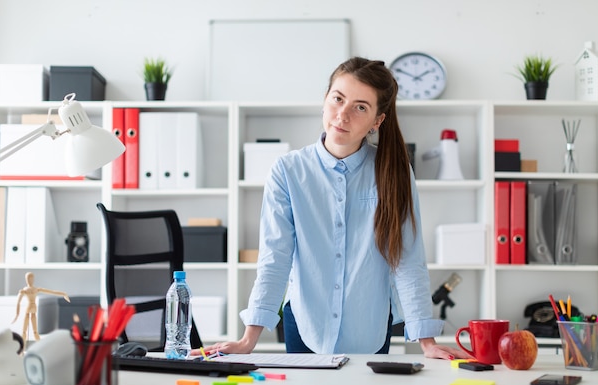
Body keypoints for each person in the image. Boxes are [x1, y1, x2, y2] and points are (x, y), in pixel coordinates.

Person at [196, 56, 469, 360]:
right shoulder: (287, 171)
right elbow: (275, 258)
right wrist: (249, 339)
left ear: (377, 121)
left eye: (360, 107)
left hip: (370, 328)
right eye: (338, 99)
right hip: (304, 326)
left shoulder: (394, 171)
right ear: (325, 100)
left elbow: (407, 259)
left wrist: (427, 341)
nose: (343, 115)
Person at [12, 271, 71, 345]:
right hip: (32, 308)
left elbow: (51, 292)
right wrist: (16, 315)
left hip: (30, 308)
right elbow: (18, 302)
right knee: (29, 331)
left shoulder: (29, 290)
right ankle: (25, 349)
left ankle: (32, 348)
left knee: (30, 331)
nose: (30, 280)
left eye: (30, 279)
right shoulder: (29, 290)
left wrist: (63, 294)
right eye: (28, 279)